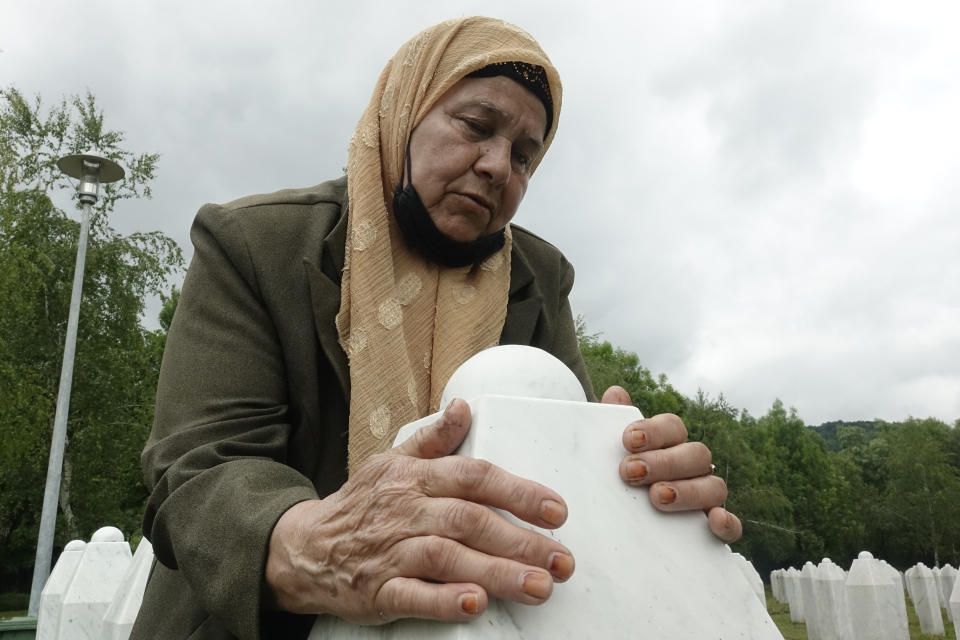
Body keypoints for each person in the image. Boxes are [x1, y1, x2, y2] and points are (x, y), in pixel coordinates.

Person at [131, 16, 742, 640]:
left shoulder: (539, 279)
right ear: (403, 113)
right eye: (476, 127)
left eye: (526, 157)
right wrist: (318, 546)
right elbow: (200, 468)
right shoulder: (257, 243)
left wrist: (640, 485)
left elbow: (559, 483)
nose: (498, 166)